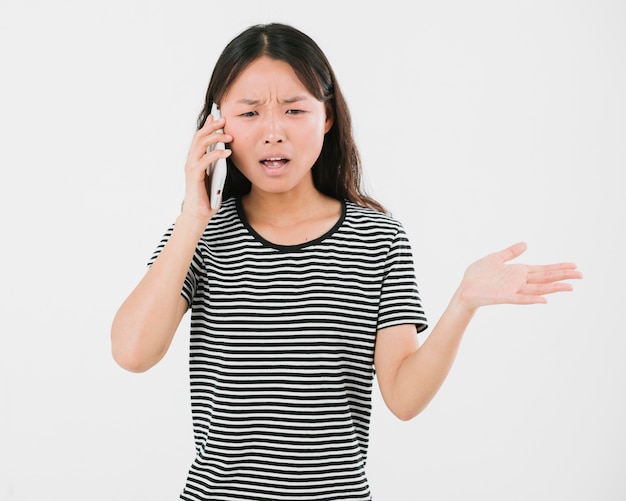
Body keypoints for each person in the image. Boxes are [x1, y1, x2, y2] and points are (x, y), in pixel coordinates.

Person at [111, 22, 582, 501]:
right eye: (250, 112)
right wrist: (193, 216)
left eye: (295, 109)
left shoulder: (377, 237)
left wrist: (463, 302)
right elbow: (132, 353)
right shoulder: (200, 235)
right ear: (216, 123)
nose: (274, 132)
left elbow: (402, 397)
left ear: (328, 117)